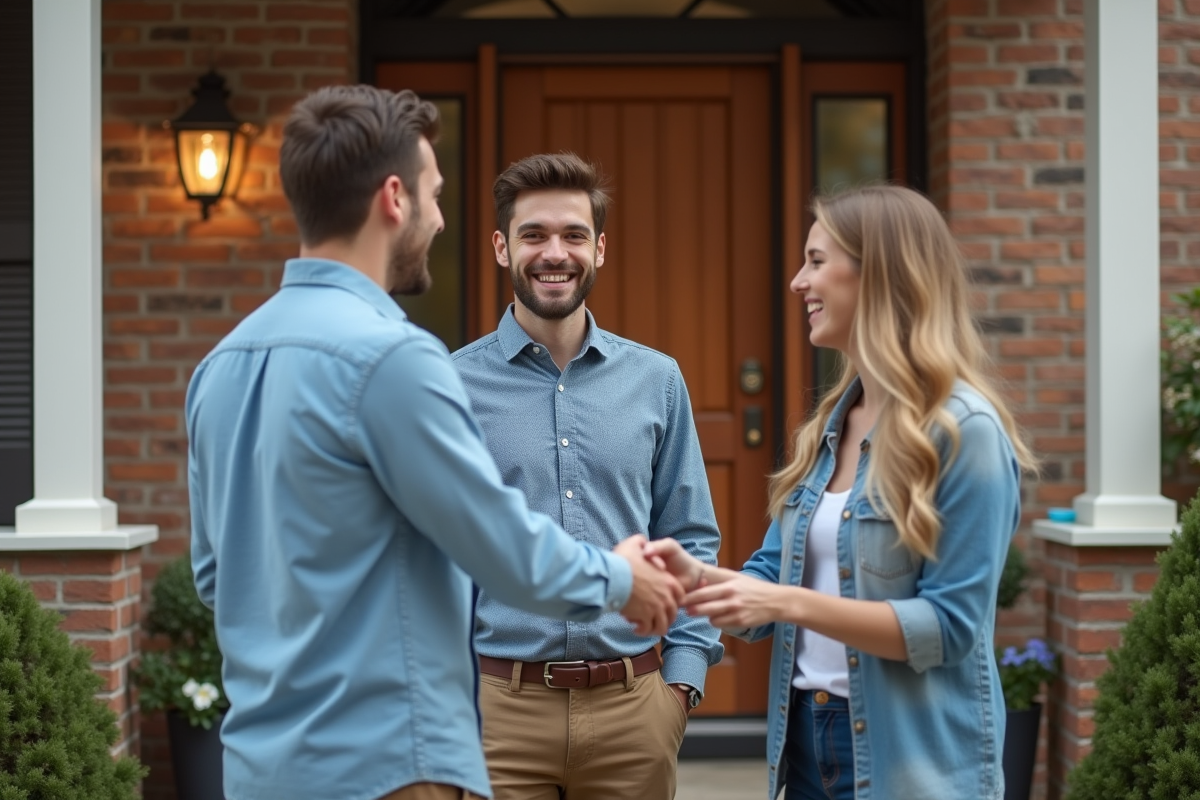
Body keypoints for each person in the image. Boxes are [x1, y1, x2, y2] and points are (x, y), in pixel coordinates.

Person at [185, 86, 685, 800]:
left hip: (264, 769)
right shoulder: (395, 360)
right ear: (395, 199)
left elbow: (217, 577)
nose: (440, 217)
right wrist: (622, 581)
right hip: (388, 765)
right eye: (434, 194)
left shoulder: (220, 366)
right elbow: (501, 547)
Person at [648, 184, 1035, 800]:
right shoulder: (831, 427)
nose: (799, 282)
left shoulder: (965, 433)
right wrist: (683, 579)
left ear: (882, 274)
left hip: (910, 762)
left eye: (817, 261)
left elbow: (949, 629)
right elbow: (772, 580)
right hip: (806, 743)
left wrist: (786, 605)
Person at [451, 152, 723, 800]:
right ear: (501, 246)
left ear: (599, 248)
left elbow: (690, 536)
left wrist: (680, 684)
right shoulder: (451, 385)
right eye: (534, 235)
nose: (555, 253)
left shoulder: (657, 379)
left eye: (573, 235)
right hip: (498, 714)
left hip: (635, 709)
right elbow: (440, 552)